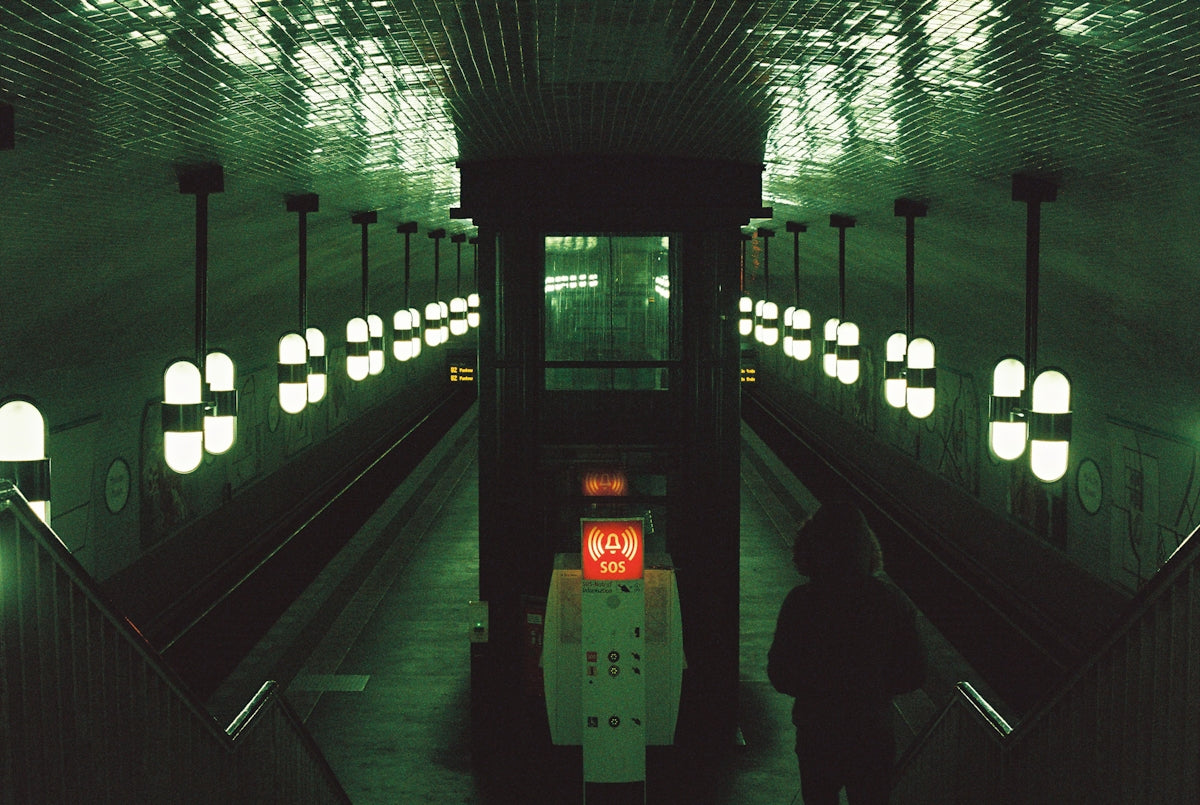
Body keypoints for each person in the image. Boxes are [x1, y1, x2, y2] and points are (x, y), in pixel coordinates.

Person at [768, 497, 926, 805]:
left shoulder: (800, 603)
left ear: (812, 548)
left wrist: (819, 687)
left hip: (817, 733)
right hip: (872, 734)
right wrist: (873, 686)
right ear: (867, 549)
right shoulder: (892, 602)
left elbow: (780, 674)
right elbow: (916, 672)